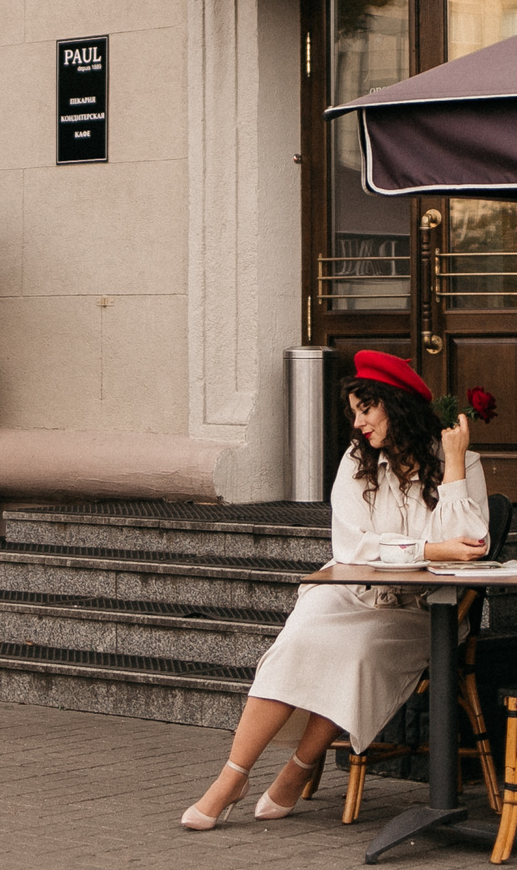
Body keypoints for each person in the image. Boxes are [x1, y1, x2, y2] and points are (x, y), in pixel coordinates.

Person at [181, 351, 497, 830]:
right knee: (299, 639)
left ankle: (299, 768)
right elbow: (353, 544)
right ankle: (234, 775)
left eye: (366, 409)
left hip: (422, 610)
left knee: (356, 654)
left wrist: (452, 466)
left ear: (396, 405)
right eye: (354, 411)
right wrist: (431, 548)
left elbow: (472, 542)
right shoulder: (357, 461)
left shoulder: (462, 462)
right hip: (352, 588)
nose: (358, 423)